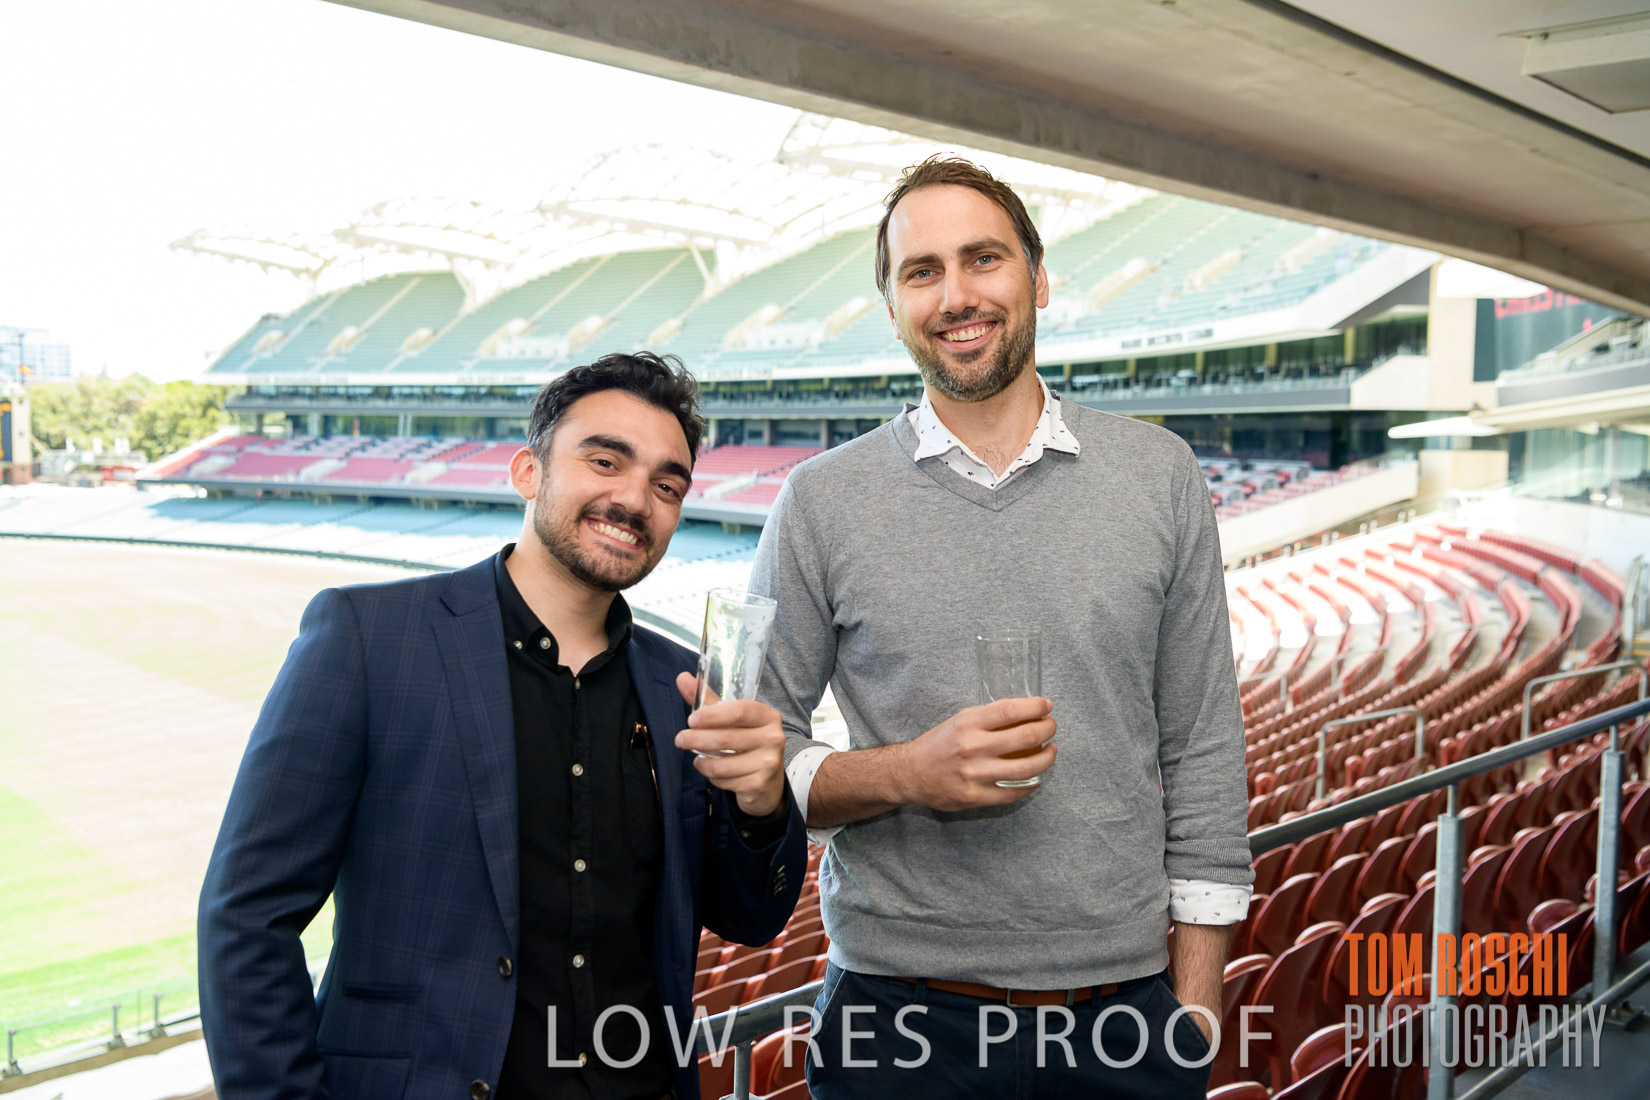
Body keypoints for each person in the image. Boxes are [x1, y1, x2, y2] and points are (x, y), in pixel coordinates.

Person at [750, 157, 1254, 1097]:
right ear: (893, 308)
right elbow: (757, 759)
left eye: (983, 258)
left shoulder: (1161, 476)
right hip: (896, 1023)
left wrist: (1195, 1011)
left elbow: (1204, 751)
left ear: (1039, 277)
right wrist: (909, 774)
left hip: (1124, 1017)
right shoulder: (819, 501)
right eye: (922, 271)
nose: (955, 296)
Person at [199, 352, 807, 1100]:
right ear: (527, 471)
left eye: (667, 485)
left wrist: (761, 806)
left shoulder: (682, 684)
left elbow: (750, 917)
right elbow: (248, 914)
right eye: (605, 461)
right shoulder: (368, 638)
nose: (634, 499)